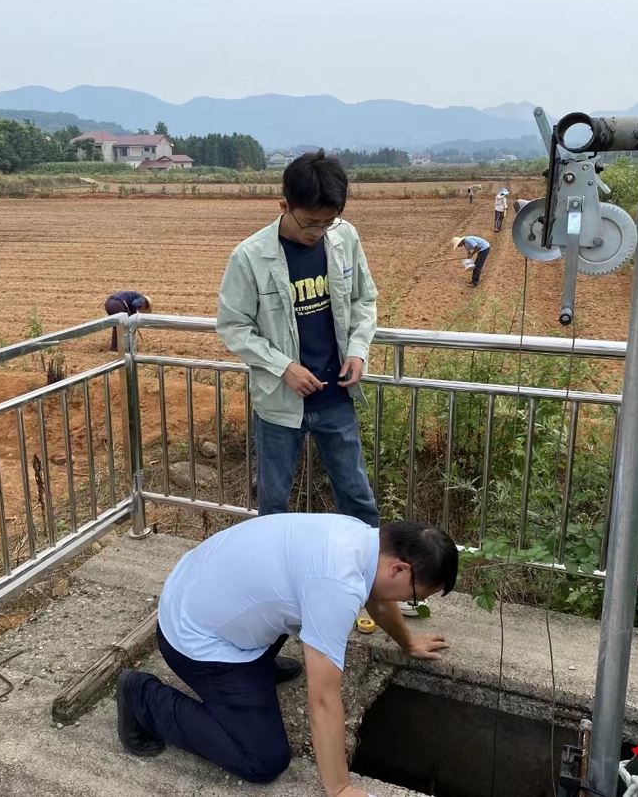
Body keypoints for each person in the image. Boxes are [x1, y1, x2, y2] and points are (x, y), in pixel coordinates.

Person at [116, 514, 459, 796]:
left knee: (294, 609)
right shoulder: (336, 582)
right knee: (263, 759)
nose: (405, 603)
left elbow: (378, 598)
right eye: (413, 597)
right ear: (398, 569)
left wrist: (408, 643)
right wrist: (340, 789)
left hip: (200, 591)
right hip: (194, 639)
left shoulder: (360, 539)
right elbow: (322, 700)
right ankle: (142, 698)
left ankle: (256, 671)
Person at [215, 149, 379, 530]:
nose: (318, 232)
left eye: (327, 222)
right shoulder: (250, 257)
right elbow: (233, 326)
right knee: (274, 502)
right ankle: (274, 579)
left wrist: (357, 351)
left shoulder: (345, 237)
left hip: (336, 395)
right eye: (309, 223)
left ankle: (370, 578)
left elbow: (363, 299)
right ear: (284, 205)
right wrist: (284, 367)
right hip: (280, 401)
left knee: (357, 495)